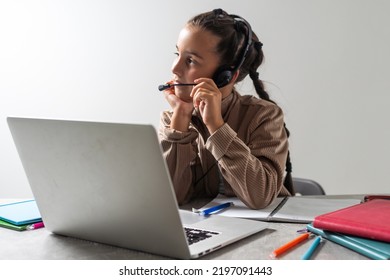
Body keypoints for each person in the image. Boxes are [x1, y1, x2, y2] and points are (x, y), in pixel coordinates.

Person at [158, 8, 293, 209]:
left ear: (226, 76)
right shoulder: (174, 119)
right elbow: (170, 199)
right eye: (177, 54)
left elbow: (260, 197)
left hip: (264, 231)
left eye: (191, 60)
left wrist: (216, 126)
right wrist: (181, 115)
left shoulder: (264, 116)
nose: (175, 68)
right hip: (207, 230)